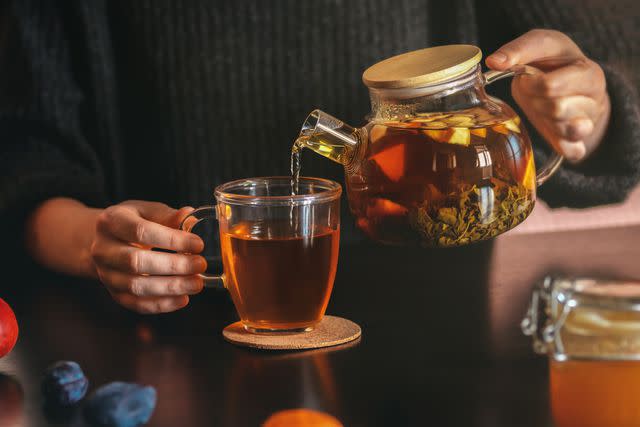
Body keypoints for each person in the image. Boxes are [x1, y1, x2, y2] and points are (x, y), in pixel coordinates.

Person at [2, 1, 638, 313]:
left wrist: (589, 110)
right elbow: (27, 154)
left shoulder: (476, 120)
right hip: (155, 325)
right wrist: (96, 240)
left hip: (444, 325)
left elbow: (602, 64)